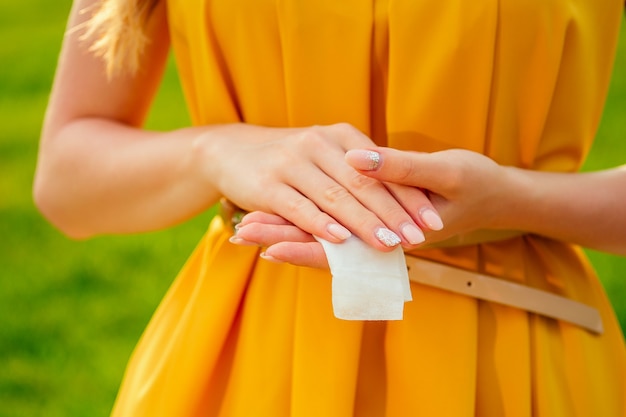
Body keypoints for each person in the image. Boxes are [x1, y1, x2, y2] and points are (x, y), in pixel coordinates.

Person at [33, 0, 625, 416]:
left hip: (513, 356)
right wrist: (213, 150)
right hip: (245, 358)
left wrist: (509, 200)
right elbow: (65, 183)